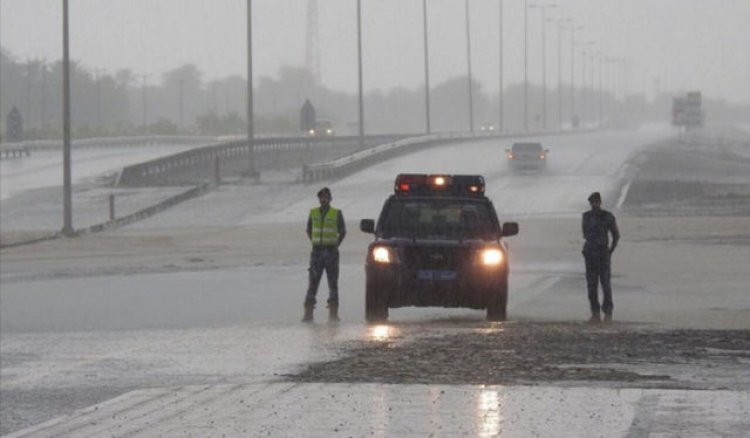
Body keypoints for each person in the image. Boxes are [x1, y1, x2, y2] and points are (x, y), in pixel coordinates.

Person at [303, 187, 346, 322]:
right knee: (313, 283)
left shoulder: (336, 213)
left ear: (330, 198)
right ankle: (308, 314)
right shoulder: (313, 213)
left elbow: (343, 231)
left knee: (332, 283)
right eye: (321, 197)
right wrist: (315, 242)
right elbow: (309, 229)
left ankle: (333, 314)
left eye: (326, 197)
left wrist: (335, 244)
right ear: (319, 199)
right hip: (316, 252)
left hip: (332, 252)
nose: (323, 199)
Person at [582, 192, 620, 324]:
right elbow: (585, 234)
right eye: (593, 203)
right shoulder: (586, 217)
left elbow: (616, 235)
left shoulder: (607, 216)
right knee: (592, 286)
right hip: (591, 254)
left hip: (602, 254)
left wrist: (610, 250)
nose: (595, 205)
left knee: (605, 284)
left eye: (596, 202)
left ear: (600, 202)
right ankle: (595, 313)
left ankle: (608, 313)